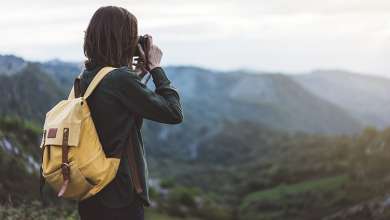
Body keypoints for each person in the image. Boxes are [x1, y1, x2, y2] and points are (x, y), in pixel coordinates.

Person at [77, 6, 183, 220]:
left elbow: (119, 102)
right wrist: (155, 68)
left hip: (90, 189)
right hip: (119, 196)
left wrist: (138, 74)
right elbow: (173, 113)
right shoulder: (120, 80)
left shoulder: (87, 75)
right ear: (123, 40)